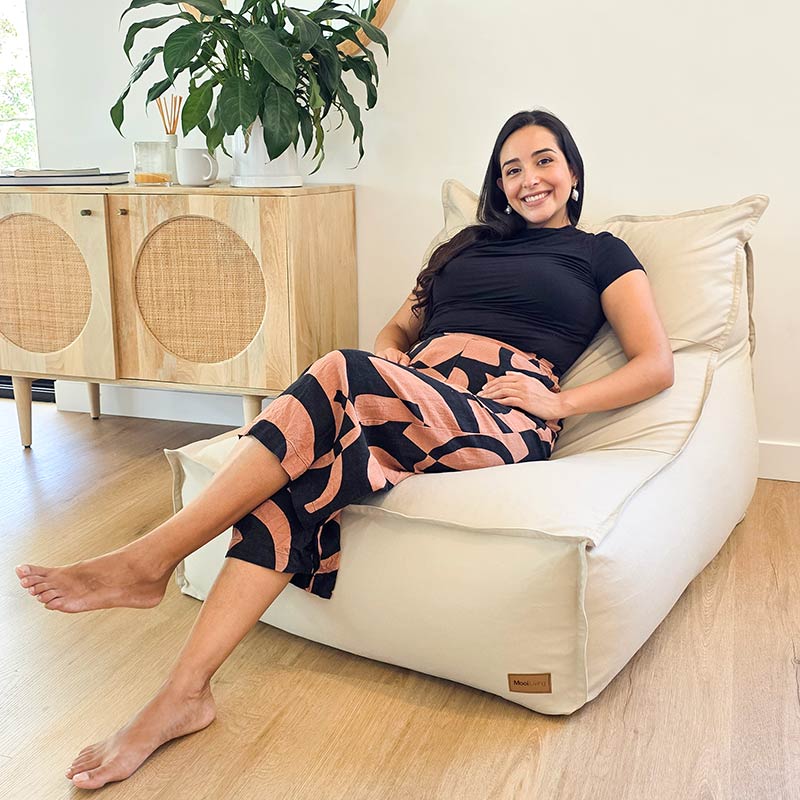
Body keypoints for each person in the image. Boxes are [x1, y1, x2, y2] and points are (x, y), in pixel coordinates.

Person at [14, 108, 673, 789]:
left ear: (572, 171)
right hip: (415, 392)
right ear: (498, 185)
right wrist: (398, 359)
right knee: (300, 483)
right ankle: (183, 695)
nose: (529, 178)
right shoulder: (465, 246)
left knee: (336, 367)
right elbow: (397, 327)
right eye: (512, 169)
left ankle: (151, 558)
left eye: (544, 161)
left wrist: (561, 403)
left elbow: (655, 363)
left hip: (499, 413)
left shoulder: (600, 254)